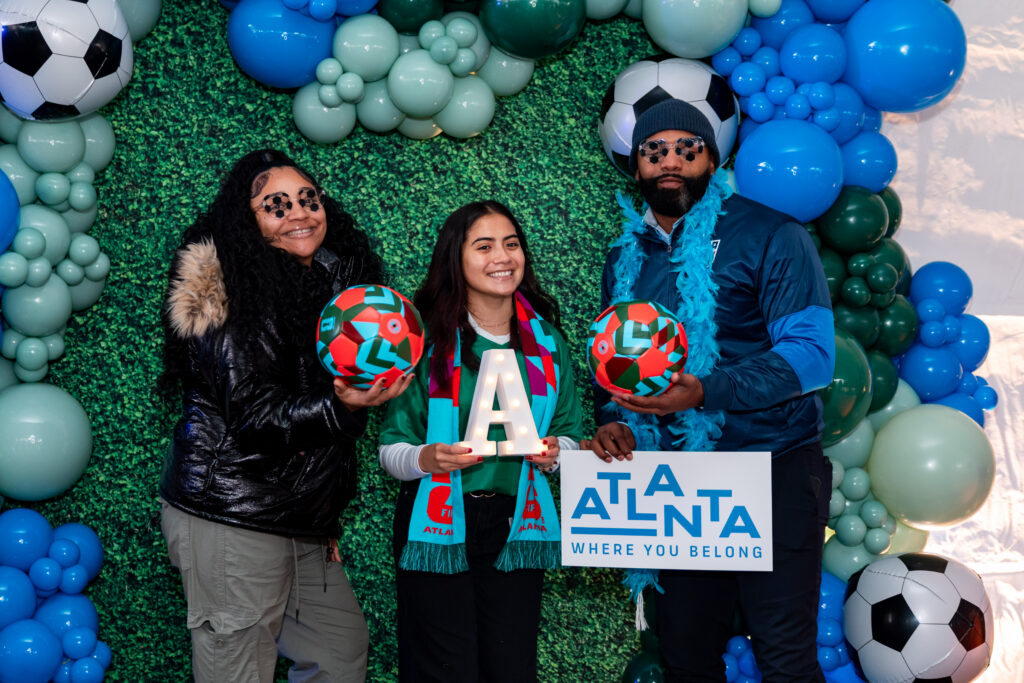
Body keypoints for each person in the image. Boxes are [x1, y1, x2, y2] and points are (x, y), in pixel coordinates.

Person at [585, 99, 836, 682]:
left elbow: (812, 356)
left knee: (784, 658)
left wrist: (705, 392)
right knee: (686, 657)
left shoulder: (773, 233)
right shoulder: (625, 254)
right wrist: (613, 420)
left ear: (712, 158)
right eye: (654, 151)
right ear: (637, 165)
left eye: (685, 149)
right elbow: (613, 364)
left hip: (771, 469)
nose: (669, 161)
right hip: (681, 489)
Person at [158, 149, 411, 683]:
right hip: (233, 514)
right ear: (245, 220)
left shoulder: (329, 284)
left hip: (298, 522)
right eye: (276, 205)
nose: (298, 213)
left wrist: (317, 513)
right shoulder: (228, 289)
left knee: (339, 654)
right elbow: (255, 418)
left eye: (307, 199)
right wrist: (340, 405)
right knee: (237, 669)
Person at [378, 201, 585, 683]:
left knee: (511, 668)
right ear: (457, 258)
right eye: (484, 245)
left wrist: (555, 454)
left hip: (517, 523)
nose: (502, 257)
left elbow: (571, 435)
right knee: (444, 670)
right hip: (436, 519)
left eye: (511, 244)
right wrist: (427, 457)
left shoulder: (549, 343)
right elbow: (391, 450)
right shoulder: (425, 341)